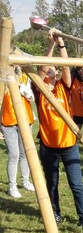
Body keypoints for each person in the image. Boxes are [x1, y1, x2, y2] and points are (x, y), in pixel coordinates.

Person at [34, 30, 83, 233]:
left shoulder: (63, 87)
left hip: (69, 145)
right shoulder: (39, 90)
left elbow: (66, 68)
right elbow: (41, 68)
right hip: (49, 146)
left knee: (76, 184)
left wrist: (61, 44)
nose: (53, 71)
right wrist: (50, 45)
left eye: (54, 70)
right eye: (49, 70)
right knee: (52, 184)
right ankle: (54, 213)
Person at [1, 67, 35, 198]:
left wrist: (20, 86)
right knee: (14, 155)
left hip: (25, 121)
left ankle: (25, 181)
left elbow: (31, 97)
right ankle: (12, 186)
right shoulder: (2, 82)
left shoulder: (24, 78)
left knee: (24, 153)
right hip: (8, 122)